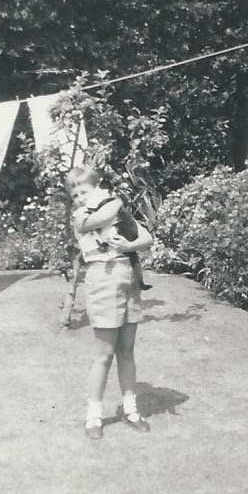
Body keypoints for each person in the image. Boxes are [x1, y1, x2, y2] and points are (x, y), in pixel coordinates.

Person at [66, 165, 153, 440]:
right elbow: (100, 217)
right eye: (75, 193)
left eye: (85, 191)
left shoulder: (113, 208)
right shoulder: (81, 215)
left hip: (126, 276)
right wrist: (116, 200)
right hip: (101, 279)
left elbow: (147, 238)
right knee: (104, 354)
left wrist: (128, 246)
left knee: (126, 350)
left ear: (97, 188)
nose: (79, 197)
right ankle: (94, 416)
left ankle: (131, 410)